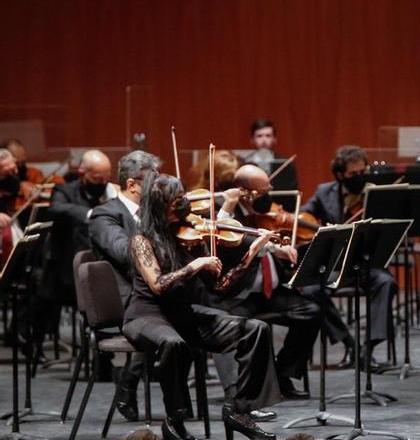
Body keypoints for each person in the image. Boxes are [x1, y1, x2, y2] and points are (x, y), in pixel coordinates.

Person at [123, 172, 279, 440]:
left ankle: (239, 411)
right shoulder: (141, 241)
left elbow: (220, 287)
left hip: (183, 315)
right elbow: (159, 285)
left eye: (183, 196)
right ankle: (175, 420)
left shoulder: (191, 235)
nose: (184, 203)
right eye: (176, 199)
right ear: (160, 205)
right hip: (147, 315)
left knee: (255, 329)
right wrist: (194, 266)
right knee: (174, 344)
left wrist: (251, 253)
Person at [205, 164, 320, 401]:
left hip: (269, 293)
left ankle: (283, 374)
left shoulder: (259, 213)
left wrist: (279, 249)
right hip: (239, 295)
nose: (267, 196)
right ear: (245, 191)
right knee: (249, 328)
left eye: (268, 189)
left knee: (311, 312)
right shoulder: (226, 213)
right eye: (262, 191)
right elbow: (229, 238)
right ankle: (242, 389)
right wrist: (229, 205)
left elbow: (263, 241)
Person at [300, 145, 398, 367]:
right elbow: (304, 215)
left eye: (363, 172)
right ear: (340, 174)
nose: (360, 178)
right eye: (354, 174)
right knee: (310, 290)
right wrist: (321, 229)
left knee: (386, 282)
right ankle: (348, 342)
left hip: (366, 264)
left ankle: (368, 347)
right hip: (335, 264)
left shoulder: (376, 194)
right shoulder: (325, 192)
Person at [88, 150, 161, 420]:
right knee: (170, 318)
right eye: (153, 183)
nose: (159, 189)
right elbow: (123, 251)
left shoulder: (152, 212)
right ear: (132, 184)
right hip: (124, 297)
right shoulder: (103, 215)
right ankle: (129, 383)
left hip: (152, 292)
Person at [42, 149, 116, 369]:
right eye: (97, 178)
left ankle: (106, 351)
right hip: (67, 271)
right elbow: (56, 208)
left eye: (106, 178)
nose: (102, 182)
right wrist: (91, 215)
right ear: (83, 172)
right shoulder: (64, 190)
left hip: (103, 264)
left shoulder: (110, 192)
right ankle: (102, 354)